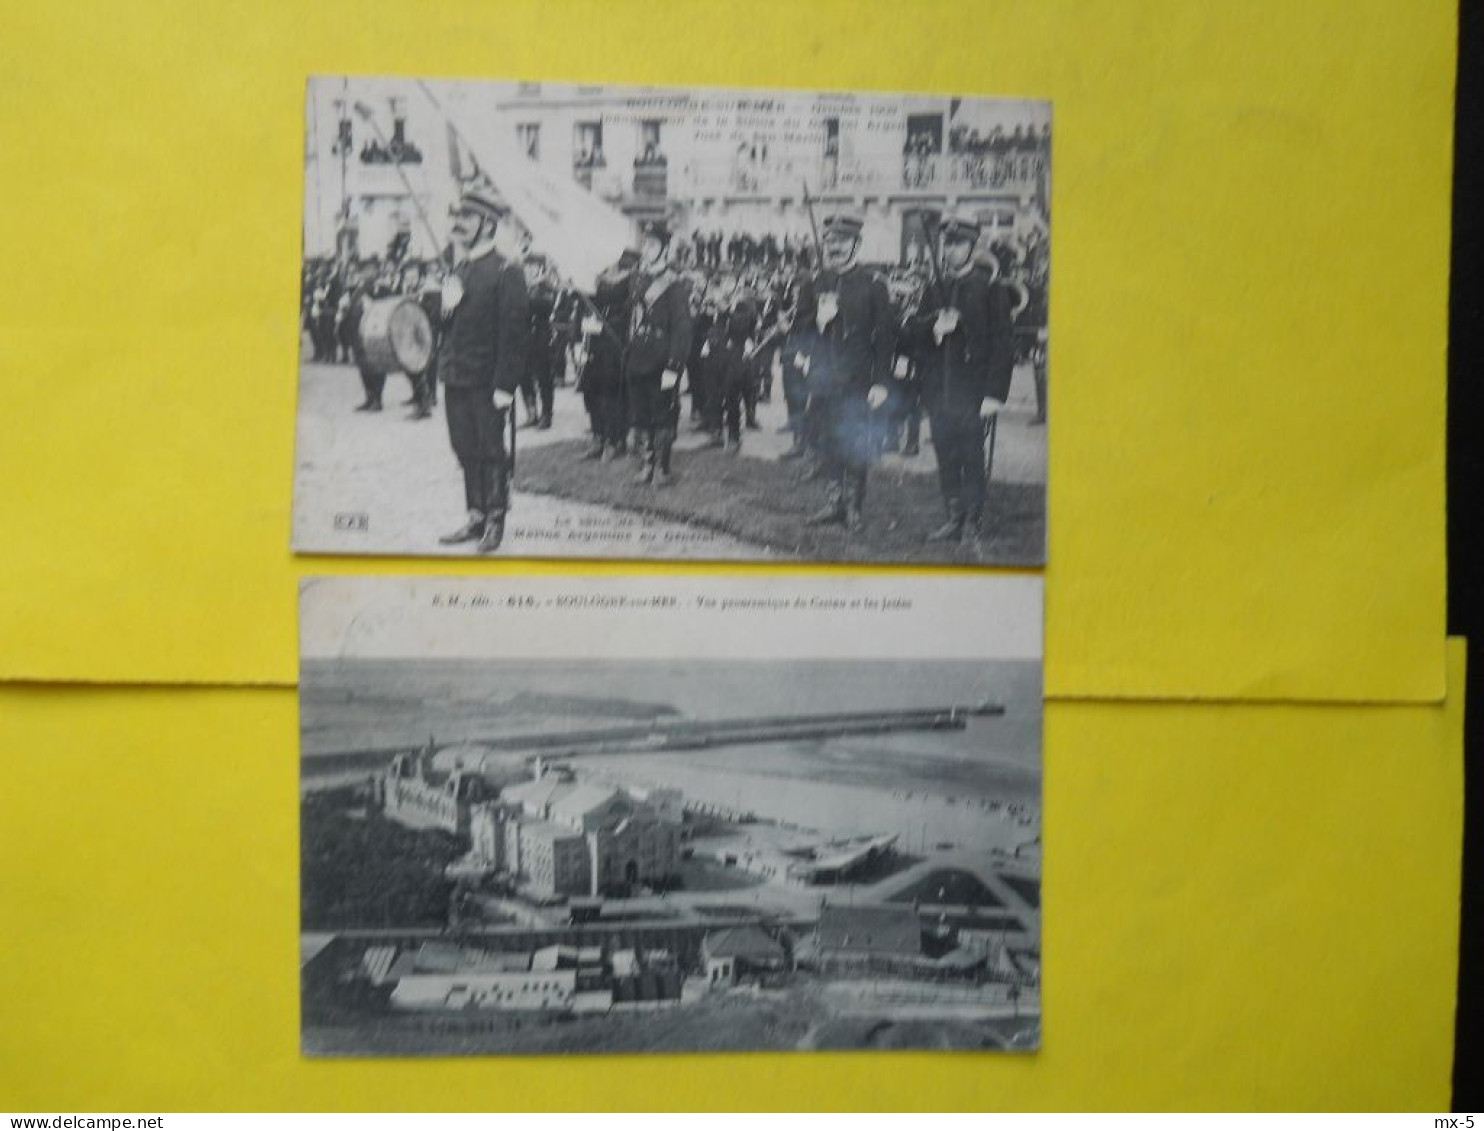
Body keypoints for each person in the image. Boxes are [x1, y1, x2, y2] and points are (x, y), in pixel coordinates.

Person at [434, 185, 530, 554]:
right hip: (456, 376)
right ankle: (475, 514)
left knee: (491, 450)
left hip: (486, 382)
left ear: (488, 225)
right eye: (458, 217)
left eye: (468, 218)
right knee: (464, 448)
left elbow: (514, 334)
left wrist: (505, 385)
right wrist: (445, 306)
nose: (459, 224)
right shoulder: (460, 269)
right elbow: (448, 328)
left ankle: (495, 519)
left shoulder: (507, 271)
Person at [909, 207, 1013, 546]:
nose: (950, 250)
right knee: (946, 453)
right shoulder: (934, 288)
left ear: (972, 246)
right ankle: (953, 516)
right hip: (939, 390)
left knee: (971, 454)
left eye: (958, 243)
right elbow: (912, 335)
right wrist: (934, 329)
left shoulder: (989, 288)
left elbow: (1002, 343)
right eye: (947, 243)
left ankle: (973, 521)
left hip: (973, 391)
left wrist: (994, 394)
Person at [799, 208, 894, 532]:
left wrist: (881, 381)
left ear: (857, 244)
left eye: (842, 241)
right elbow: (798, 330)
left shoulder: (873, 284)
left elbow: (885, 339)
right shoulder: (814, 283)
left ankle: (853, 508)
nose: (834, 247)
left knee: (854, 445)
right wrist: (818, 320)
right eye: (830, 241)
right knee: (827, 443)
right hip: (824, 380)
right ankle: (833, 502)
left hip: (859, 380)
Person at [625, 220, 692, 487]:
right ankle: (646, 465)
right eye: (645, 244)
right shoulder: (638, 279)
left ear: (664, 249)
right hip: (638, 358)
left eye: (653, 245)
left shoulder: (674, 285)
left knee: (662, 414)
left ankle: (662, 470)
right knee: (641, 414)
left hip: (661, 360)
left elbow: (683, 329)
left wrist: (674, 367)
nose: (646, 249)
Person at [578, 249, 637, 461]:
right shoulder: (602, 274)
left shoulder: (632, 279)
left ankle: (615, 440)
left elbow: (630, 310)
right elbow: (594, 303)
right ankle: (598, 436)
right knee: (592, 390)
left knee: (612, 392)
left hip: (616, 342)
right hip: (596, 342)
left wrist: (610, 324)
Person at [522, 253, 556, 429]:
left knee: (544, 377)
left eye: (533, 266)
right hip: (525, 337)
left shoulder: (545, 286)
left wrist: (525, 299)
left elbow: (546, 306)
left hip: (541, 337)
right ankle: (531, 412)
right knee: (524, 376)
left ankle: (546, 414)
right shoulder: (523, 286)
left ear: (540, 268)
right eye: (527, 266)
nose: (529, 269)